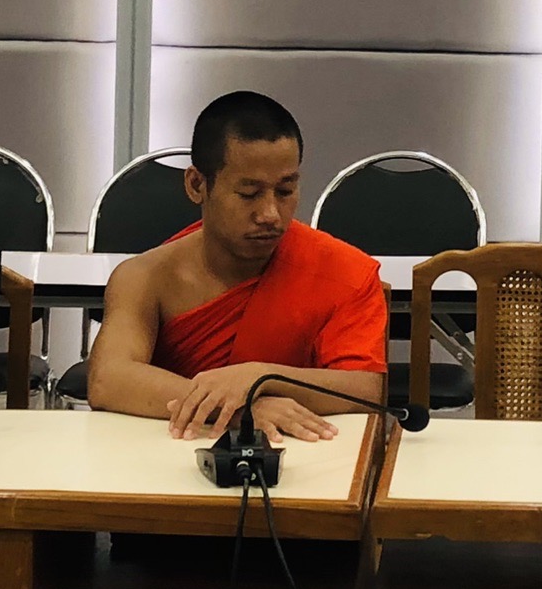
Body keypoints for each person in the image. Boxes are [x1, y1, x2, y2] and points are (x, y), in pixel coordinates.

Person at [88, 91, 387, 443]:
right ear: (197, 185)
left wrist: (261, 377)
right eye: (249, 194)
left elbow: (365, 389)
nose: (270, 214)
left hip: (305, 453)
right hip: (174, 450)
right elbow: (108, 379)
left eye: (285, 191)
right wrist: (239, 410)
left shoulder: (344, 272)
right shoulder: (146, 277)